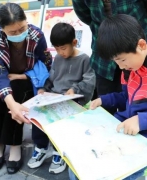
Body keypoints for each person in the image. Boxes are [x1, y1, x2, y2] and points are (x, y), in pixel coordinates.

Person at [68, 14, 147, 180]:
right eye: (116, 62)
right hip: (123, 132)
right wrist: (104, 100)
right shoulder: (130, 70)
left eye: (122, 59)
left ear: (141, 45)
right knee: (77, 165)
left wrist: (143, 120)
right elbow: (127, 97)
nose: (121, 66)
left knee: (106, 175)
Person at [0, 3, 52, 174]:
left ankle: (15, 144)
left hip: (26, 77)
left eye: (22, 28)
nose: (20, 35)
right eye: (13, 32)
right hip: (3, 77)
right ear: (2, 29)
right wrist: (10, 102)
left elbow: (46, 63)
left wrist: (29, 78)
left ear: (26, 21)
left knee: (18, 93)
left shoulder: (36, 35)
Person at [27, 22, 96, 174]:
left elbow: (89, 81)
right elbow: (52, 78)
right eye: (57, 48)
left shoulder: (84, 59)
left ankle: (60, 151)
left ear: (74, 42)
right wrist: (43, 89)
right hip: (54, 97)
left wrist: (74, 89)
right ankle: (41, 147)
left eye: (63, 48)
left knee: (61, 120)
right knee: (37, 114)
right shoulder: (57, 58)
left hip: (73, 99)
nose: (60, 52)